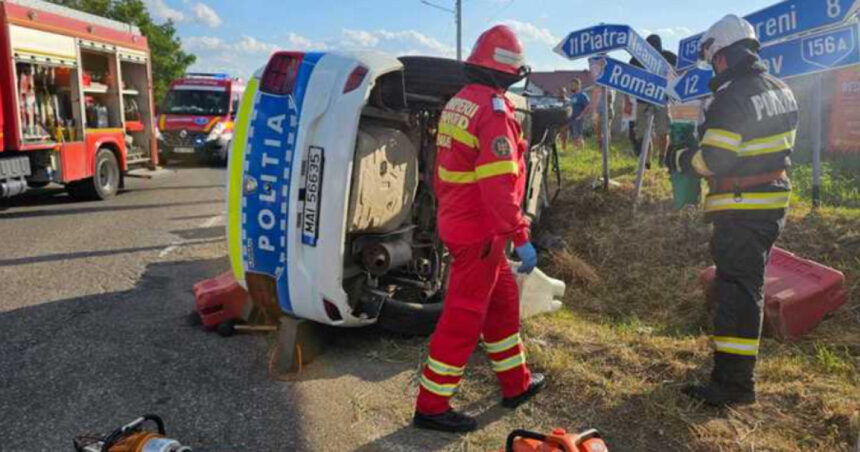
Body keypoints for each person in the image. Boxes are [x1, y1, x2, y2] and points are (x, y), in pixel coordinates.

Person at [412, 24, 546, 433]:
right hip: (482, 233)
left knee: (503, 302)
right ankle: (432, 405)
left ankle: (516, 383)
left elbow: (445, 173)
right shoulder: (493, 111)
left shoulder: (459, 103)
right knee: (464, 316)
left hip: (464, 224)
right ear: (506, 70)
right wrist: (521, 237)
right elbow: (499, 188)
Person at [666, 14, 798, 406]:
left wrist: (680, 159)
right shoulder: (781, 89)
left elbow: (715, 160)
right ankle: (733, 375)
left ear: (722, 57)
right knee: (746, 288)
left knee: (738, 294)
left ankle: (734, 386)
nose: (713, 68)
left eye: (713, 61)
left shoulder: (732, 97)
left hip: (743, 207)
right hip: (771, 202)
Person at [630, 34, 678, 168]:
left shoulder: (668, 57)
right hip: (642, 100)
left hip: (661, 99)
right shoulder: (635, 59)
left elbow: (679, 71)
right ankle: (646, 162)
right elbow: (629, 76)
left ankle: (662, 159)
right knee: (642, 133)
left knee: (663, 131)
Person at [567, 78, 590, 150]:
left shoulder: (582, 95)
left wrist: (581, 115)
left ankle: (580, 150)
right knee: (574, 135)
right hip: (571, 118)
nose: (572, 86)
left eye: (573, 85)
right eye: (571, 85)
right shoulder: (572, 96)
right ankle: (576, 149)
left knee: (578, 135)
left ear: (578, 85)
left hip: (578, 118)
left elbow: (588, 106)